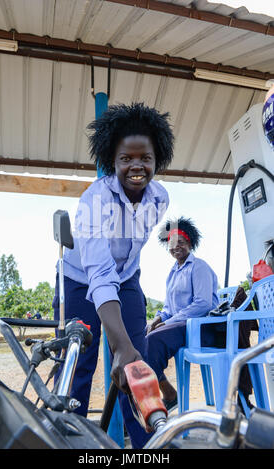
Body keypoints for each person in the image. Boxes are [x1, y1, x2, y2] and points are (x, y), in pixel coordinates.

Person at [52, 102, 175, 448]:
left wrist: (127, 347)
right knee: (79, 367)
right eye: (126, 159)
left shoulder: (160, 198)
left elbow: (126, 257)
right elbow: (100, 271)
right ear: (113, 160)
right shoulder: (95, 200)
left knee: (138, 364)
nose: (137, 166)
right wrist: (118, 344)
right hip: (80, 279)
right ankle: (69, 440)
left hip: (127, 278)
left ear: (157, 158)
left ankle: (146, 446)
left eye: (145, 158)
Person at [145, 217, 219, 411]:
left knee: (153, 342)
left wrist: (170, 322)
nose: (176, 246)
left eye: (181, 241)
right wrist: (159, 319)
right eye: (172, 243)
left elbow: (203, 304)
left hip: (201, 329)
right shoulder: (173, 272)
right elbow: (169, 308)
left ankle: (164, 397)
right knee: (142, 335)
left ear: (190, 243)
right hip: (181, 327)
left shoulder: (199, 267)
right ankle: (168, 393)